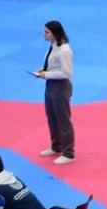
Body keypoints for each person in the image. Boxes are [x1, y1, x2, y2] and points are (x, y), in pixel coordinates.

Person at [31, 20, 76, 164]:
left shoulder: (64, 51)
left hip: (60, 86)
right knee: (52, 117)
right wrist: (43, 71)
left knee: (63, 120)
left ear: (55, 33)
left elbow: (67, 73)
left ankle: (69, 152)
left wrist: (46, 74)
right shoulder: (53, 47)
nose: (44, 35)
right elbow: (54, 66)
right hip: (50, 85)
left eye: (47, 32)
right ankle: (56, 145)